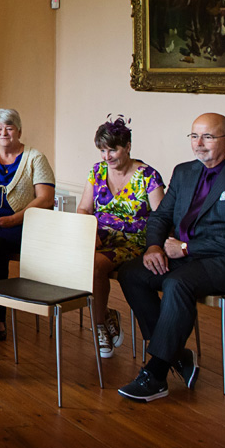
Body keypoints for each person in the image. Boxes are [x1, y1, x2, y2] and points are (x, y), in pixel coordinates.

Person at [117, 113, 225, 403]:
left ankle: (157, 373)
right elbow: (161, 215)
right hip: (187, 256)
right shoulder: (184, 171)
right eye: (193, 136)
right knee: (132, 273)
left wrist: (186, 249)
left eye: (208, 137)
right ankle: (174, 351)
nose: (198, 144)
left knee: (178, 283)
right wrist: (153, 247)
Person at [75, 116, 165, 358]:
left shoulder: (148, 176)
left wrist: (156, 245)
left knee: (93, 265)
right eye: (102, 150)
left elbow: (162, 217)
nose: (107, 156)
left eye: (112, 149)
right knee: (71, 259)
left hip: (134, 241)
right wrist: (89, 231)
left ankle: (99, 325)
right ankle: (105, 316)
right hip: (99, 237)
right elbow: (84, 209)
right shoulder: (97, 171)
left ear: (127, 146)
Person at [0, 108, 56, 339]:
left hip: (23, 226)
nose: (3, 133)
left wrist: (15, 219)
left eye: (9, 128)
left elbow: (46, 198)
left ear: (19, 130)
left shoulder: (35, 157)